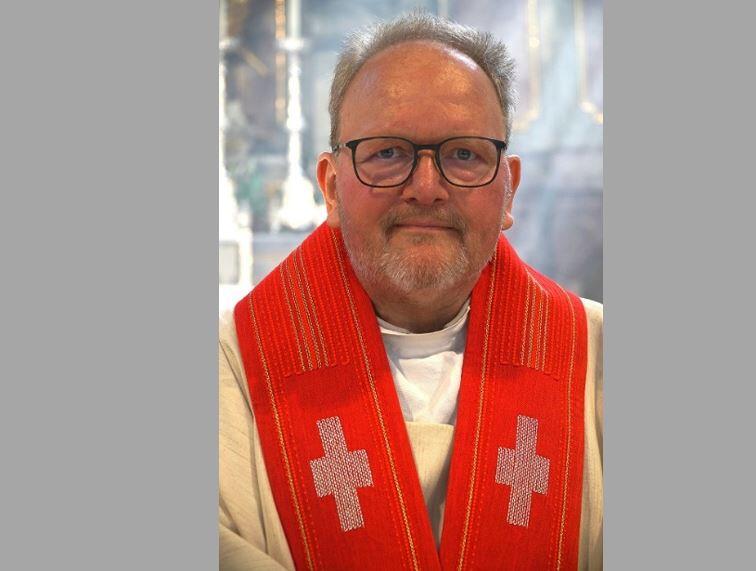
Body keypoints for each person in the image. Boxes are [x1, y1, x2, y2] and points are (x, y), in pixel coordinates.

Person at [219, 12, 602, 571]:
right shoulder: (230, 365)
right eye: (388, 153)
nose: (426, 189)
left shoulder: (596, 357)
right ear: (331, 187)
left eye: (464, 155)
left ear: (509, 190)